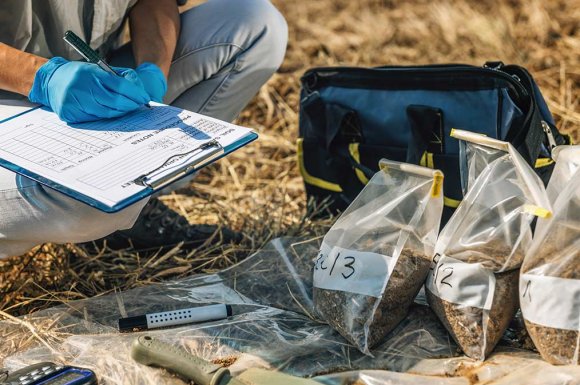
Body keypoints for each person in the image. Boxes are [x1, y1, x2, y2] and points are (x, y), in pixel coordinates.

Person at [0, 0, 288, 258]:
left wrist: (154, 70)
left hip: (97, 85)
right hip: (10, 100)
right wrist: (41, 77)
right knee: (97, 200)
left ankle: (129, 216)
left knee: (255, 23)